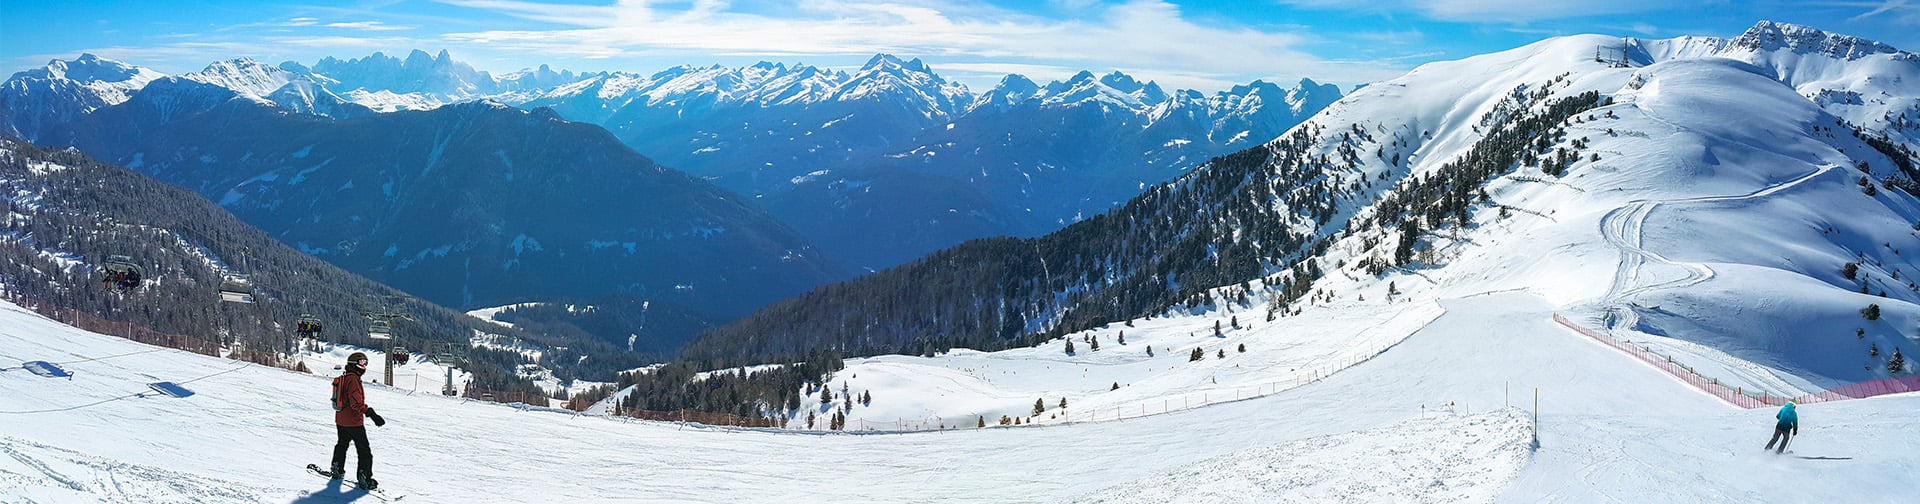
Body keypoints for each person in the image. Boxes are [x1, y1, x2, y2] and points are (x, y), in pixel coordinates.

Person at [327, 352, 386, 489]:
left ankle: (337, 467)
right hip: (353, 422)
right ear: (354, 364)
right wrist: (371, 413)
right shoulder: (353, 379)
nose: (364, 366)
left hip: (341, 419)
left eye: (366, 363)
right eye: (361, 363)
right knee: (364, 451)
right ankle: (364, 476)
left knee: (342, 445)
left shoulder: (345, 377)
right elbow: (356, 404)